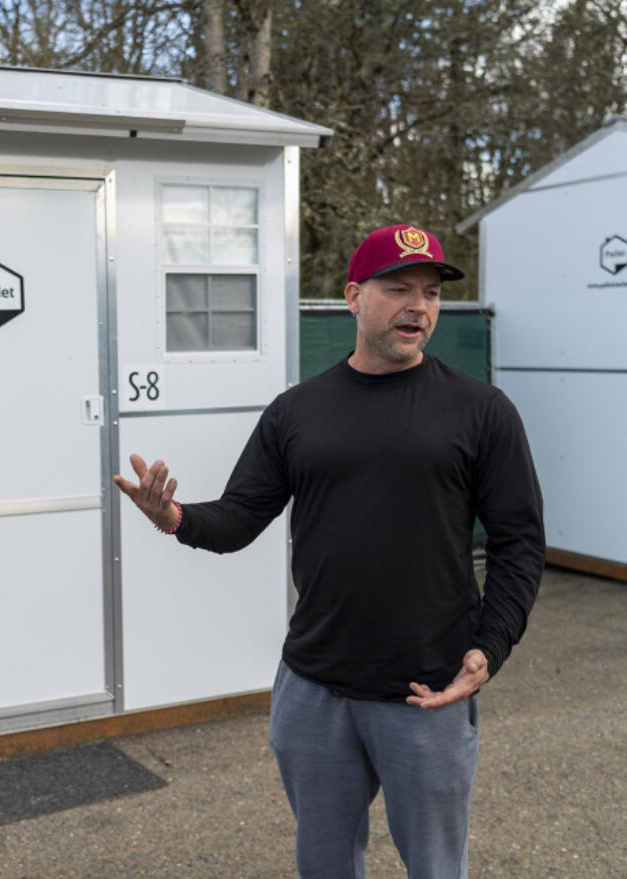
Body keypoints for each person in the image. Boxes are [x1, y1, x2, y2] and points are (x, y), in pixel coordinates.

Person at [113, 224, 545, 879]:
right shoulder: (297, 412)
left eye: (430, 293)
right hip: (314, 687)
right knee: (325, 862)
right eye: (398, 288)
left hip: (427, 689)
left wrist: (492, 646)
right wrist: (173, 516)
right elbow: (238, 518)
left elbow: (519, 541)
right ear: (352, 295)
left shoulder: (481, 410)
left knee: (435, 865)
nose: (418, 306)